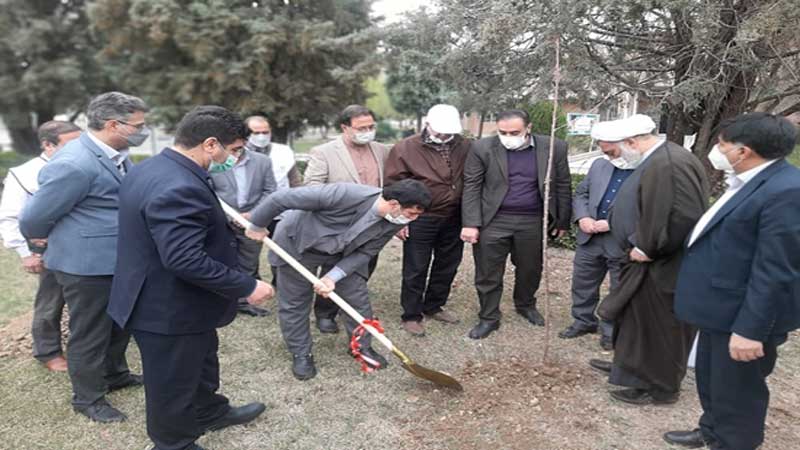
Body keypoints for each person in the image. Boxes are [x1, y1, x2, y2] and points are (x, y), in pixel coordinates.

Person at [107, 106, 274, 450]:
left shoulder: (155, 166)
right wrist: (247, 286)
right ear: (211, 144)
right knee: (172, 382)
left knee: (201, 360)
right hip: (167, 306)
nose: (234, 158)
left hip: (186, 302)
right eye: (234, 149)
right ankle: (174, 443)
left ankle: (209, 411)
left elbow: (177, 230)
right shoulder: (179, 185)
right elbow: (184, 258)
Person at [664, 113, 800, 450]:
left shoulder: (786, 191)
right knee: (713, 379)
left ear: (743, 151)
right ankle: (712, 428)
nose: (718, 151)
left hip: (743, 316)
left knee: (739, 391)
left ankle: (734, 441)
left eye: (722, 145)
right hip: (720, 309)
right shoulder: (750, 180)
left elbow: (776, 269)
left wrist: (750, 330)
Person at [20, 92, 148, 423]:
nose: (142, 131)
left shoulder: (115, 153)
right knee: (90, 333)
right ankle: (88, 398)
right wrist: (40, 243)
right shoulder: (74, 163)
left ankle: (114, 374)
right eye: (138, 126)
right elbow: (33, 218)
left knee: (119, 323)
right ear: (113, 125)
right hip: (86, 265)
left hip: (118, 258)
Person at [245, 179, 432, 380]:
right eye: (411, 214)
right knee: (295, 302)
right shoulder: (344, 194)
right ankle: (301, 353)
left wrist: (333, 277)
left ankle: (361, 347)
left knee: (357, 300)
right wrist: (257, 224)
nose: (412, 219)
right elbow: (281, 198)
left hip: (343, 252)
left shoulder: (395, 220)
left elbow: (366, 252)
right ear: (394, 204)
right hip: (298, 244)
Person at [593, 114, 708, 405]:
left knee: (660, 327)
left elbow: (682, 216)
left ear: (631, 142)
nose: (615, 159)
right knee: (636, 320)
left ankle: (659, 387)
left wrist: (647, 247)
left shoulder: (670, 164)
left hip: (663, 264)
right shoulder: (657, 159)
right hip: (646, 261)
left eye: (615, 151)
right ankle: (629, 368)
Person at [460, 109, 572, 339]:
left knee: (530, 268)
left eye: (514, 132)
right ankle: (489, 317)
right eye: (502, 132)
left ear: (528, 128)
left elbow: (562, 184)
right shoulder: (482, 148)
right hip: (494, 220)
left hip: (533, 220)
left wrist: (562, 221)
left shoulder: (554, 148)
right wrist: (470, 223)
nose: (508, 137)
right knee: (488, 271)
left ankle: (526, 304)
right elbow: (472, 185)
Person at [303, 105, 391, 334]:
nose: (368, 131)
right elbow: (312, 188)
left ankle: (349, 307)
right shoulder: (324, 152)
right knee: (333, 268)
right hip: (339, 224)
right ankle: (325, 313)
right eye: (361, 128)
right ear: (345, 127)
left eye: (371, 127)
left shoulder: (382, 150)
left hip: (372, 224)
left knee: (364, 265)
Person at [0, 120, 81, 371]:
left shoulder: (86, 165)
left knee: (87, 301)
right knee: (51, 301)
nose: (80, 148)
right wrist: (26, 253)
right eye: (71, 143)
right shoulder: (24, 174)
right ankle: (48, 352)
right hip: (49, 249)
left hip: (85, 245)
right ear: (48, 145)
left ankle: (88, 348)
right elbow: (9, 216)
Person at [384, 104, 470, 337]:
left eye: (449, 131)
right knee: (416, 267)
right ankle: (411, 315)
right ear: (428, 124)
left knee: (447, 265)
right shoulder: (405, 148)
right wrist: (399, 220)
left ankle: (434, 305)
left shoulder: (464, 145)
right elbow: (393, 187)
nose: (445, 135)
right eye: (440, 130)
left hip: (454, 216)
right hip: (421, 218)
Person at [558, 121, 636, 350]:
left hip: (621, 241)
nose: (606, 155)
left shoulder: (647, 170)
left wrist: (611, 223)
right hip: (589, 237)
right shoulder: (599, 165)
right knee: (582, 282)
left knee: (619, 288)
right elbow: (582, 193)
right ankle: (583, 321)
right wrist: (582, 217)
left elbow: (649, 208)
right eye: (603, 150)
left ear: (627, 144)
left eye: (610, 151)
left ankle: (612, 330)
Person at [212, 132, 277, 317]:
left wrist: (253, 215)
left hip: (252, 222)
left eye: (238, 147)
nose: (235, 152)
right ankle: (220, 298)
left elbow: (270, 191)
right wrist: (229, 216)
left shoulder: (262, 162)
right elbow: (208, 192)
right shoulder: (213, 162)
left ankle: (243, 301)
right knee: (221, 260)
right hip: (222, 221)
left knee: (249, 262)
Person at [243, 115, 303, 287]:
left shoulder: (283, 152)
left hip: (281, 213)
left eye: (265, 132)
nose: (261, 136)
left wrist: (300, 206)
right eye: (256, 133)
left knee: (283, 250)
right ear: (246, 134)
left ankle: (280, 282)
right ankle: (253, 285)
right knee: (249, 253)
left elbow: (295, 181)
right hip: (251, 213)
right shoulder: (238, 153)